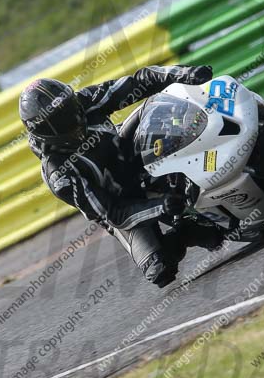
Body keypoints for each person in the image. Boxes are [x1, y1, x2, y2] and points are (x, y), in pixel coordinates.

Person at [19, 65, 223, 287]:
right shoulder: (59, 174)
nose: (73, 116)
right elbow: (113, 214)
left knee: (157, 107)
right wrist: (161, 207)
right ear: (44, 130)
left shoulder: (86, 100)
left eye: (69, 107)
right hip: (123, 206)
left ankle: (217, 148)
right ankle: (186, 230)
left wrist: (184, 74)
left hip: (132, 157)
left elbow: (138, 82)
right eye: (60, 118)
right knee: (160, 269)